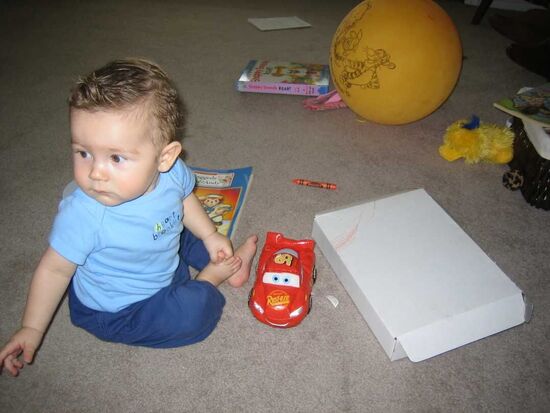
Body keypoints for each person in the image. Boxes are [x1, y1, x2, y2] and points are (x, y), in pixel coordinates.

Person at [0, 58, 258, 376]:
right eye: (83, 152)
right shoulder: (84, 214)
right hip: (120, 308)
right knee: (192, 316)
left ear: (165, 158)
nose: (95, 172)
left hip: (162, 255)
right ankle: (213, 277)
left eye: (116, 158)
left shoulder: (173, 173)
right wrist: (31, 328)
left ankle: (220, 259)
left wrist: (209, 235)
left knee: (187, 230)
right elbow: (53, 271)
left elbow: (185, 201)